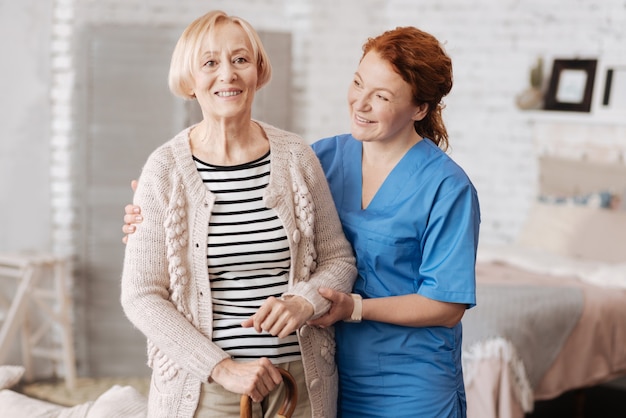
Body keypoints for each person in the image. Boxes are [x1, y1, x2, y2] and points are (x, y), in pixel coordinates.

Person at [124, 25, 480, 418]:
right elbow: (231, 215)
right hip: (336, 373)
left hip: (408, 381)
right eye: (358, 83)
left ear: (420, 108)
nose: (360, 104)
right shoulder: (323, 157)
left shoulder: (447, 187)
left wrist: (350, 307)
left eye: (380, 97)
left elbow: (446, 303)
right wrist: (154, 217)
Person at [120, 10, 356, 418]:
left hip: (300, 383)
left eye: (240, 60)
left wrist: (305, 301)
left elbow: (339, 258)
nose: (227, 74)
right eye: (210, 63)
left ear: (257, 70)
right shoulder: (164, 169)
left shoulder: (297, 157)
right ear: (190, 80)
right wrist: (222, 368)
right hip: (207, 390)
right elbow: (141, 295)